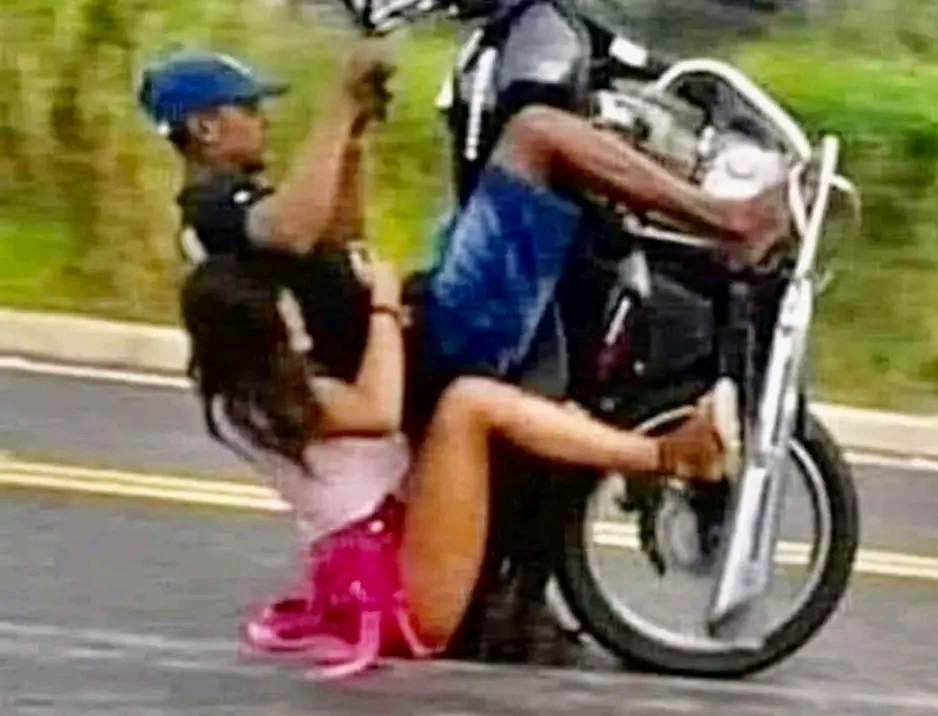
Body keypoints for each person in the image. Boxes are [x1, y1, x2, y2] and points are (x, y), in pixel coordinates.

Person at [136, 39, 790, 660]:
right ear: (205, 127)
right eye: (248, 109)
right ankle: (731, 220)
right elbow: (294, 228)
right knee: (534, 133)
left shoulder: (239, 212)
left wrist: (355, 135)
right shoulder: (212, 210)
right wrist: (336, 108)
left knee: (542, 161)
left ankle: (707, 203)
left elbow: (334, 237)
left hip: (415, 335)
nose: (262, 120)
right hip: (431, 343)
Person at [179, 248, 738, 680]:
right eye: (281, 307)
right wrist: (383, 304)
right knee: (469, 404)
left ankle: (639, 448)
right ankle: (668, 455)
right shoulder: (263, 405)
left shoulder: (245, 394)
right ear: (254, 328)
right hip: (398, 590)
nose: (293, 308)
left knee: (513, 409)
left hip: (390, 540)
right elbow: (379, 410)